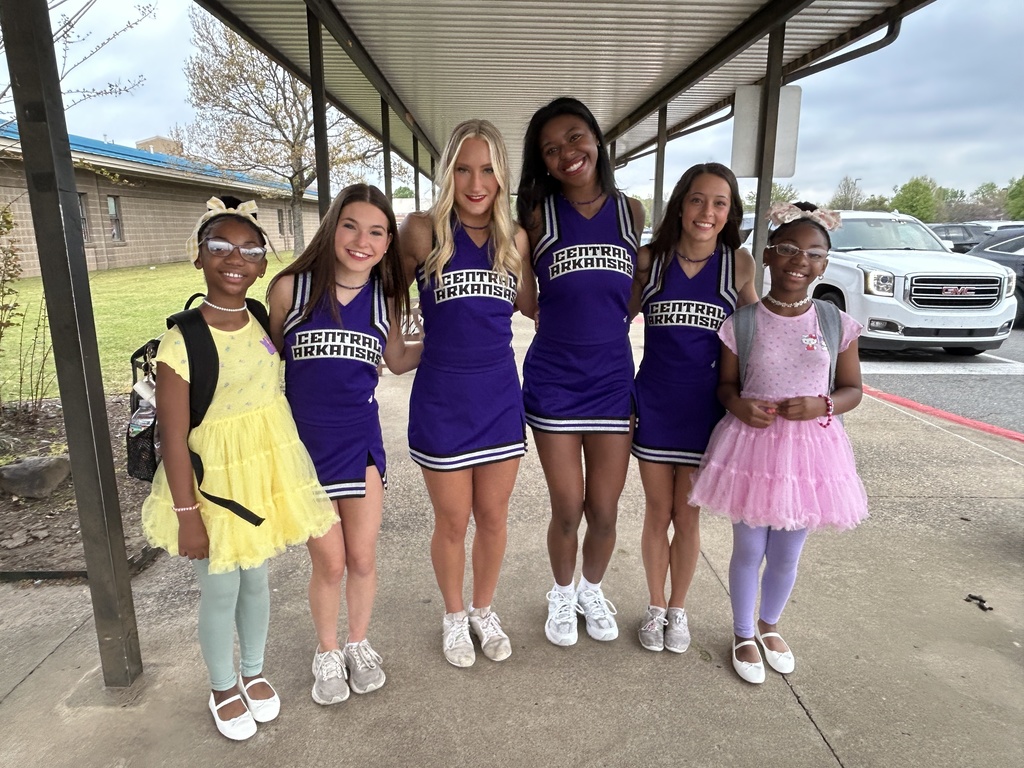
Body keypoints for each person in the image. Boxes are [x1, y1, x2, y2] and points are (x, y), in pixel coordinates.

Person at [141, 196, 337, 741]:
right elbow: (173, 438)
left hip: (263, 472)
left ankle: (253, 672)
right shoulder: (182, 341)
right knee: (222, 588)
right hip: (211, 485)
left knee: (258, 582)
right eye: (221, 247)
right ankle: (222, 684)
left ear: (263, 264)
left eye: (251, 250)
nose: (237, 258)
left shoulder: (257, 317)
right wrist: (187, 515)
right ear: (199, 258)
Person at [689, 201, 869, 684]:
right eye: (788, 249)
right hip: (752, 447)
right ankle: (743, 631)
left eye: (813, 253)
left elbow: (852, 388)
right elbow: (726, 386)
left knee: (788, 552)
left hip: (812, 452)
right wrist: (738, 404)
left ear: (825, 265)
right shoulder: (743, 323)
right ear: (767, 256)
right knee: (749, 548)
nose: (799, 260)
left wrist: (823, 405)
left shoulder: (834, 322)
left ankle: (770, 625)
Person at [267, 184, 420, 704]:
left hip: (361, 446)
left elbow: (397, 359)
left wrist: (458, 335)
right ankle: (327, 651)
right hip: (304, 452)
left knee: (361, 556)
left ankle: (358, 643)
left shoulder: (385, 297)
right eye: (352, 225)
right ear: (333, 227)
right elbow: (266, 365)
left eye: (377, 232)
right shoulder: (291, 288)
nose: (363, 240)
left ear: (387, 243)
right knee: (328, 562)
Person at [400, 120, 531, 668]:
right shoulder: (422, 230)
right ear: (447, 172)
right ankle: (454, 616)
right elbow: (379, 288)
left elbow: (533, 304)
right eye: (463, 168)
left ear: (502, 176)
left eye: (487, 170)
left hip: (500, 396)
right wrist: (393, 347)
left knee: (494, 518)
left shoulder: (515, 239)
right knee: (453, 522)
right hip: (443, 400)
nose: (476, 183)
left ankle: (483, 609)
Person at [516, 97, 645, 646]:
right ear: (542, 163)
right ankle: (562, 594)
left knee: (606, 509)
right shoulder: (537, 217)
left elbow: (640, 284)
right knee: (568, 508)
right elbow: (524, 295)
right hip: (555, 381)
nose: (567, 152)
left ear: (596, 139)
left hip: (613, 379)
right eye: (551, 148)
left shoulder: (630, 211)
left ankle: (593, 589)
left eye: (575, 137)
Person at [629, 163, 758, 654]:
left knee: (688, 517)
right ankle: (655, 606)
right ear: (681, 204)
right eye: (698, 200)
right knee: (656, 511)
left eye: (719, 203)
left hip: (708, 411)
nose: (707, 212)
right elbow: (610, 316)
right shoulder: (649, 261)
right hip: (656, 403)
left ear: (730, 212)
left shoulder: (738, 264)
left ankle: (678, 611)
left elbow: (756, 336)